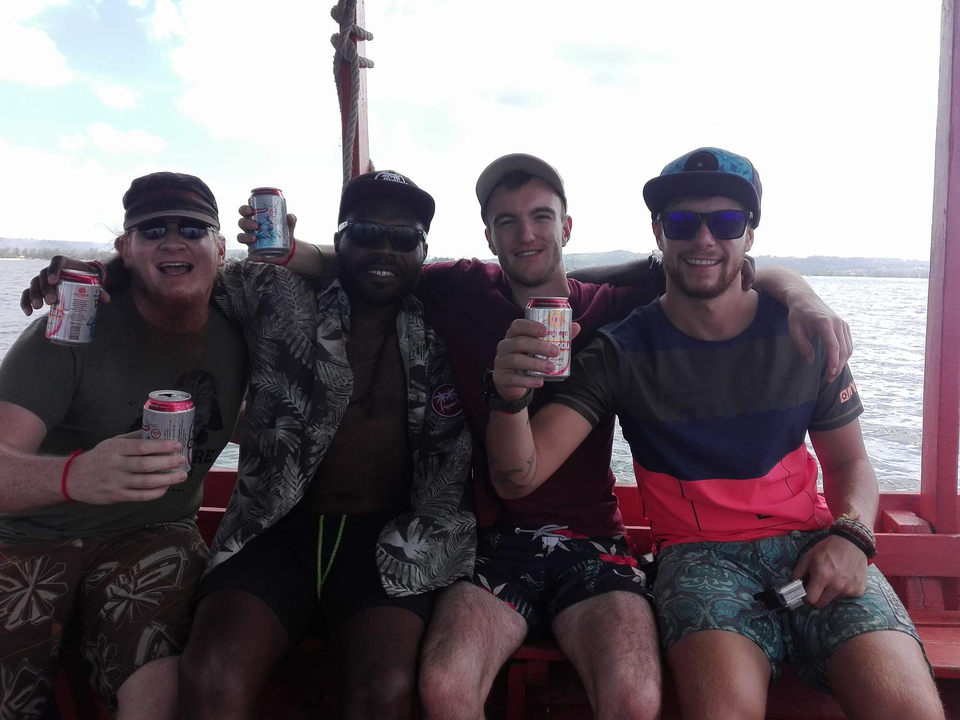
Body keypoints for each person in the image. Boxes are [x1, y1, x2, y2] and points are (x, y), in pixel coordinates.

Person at [249, 153, 854, 720]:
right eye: (506, 222)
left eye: (542, 217)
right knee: (444, 686)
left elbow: (727, 266)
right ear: (489, 237)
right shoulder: (460, 289)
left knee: (637, 693)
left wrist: (802, 296)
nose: (526, 234)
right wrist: (285, 250)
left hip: (592, 537)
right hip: (488, 537)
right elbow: (363, 261)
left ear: (567, 228)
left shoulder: (613, 308)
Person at [484, 147, 945, 720]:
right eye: (682, 221)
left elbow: (850, 464)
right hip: (700, 560)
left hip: (814, 546)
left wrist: (852, 538)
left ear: (748, 234)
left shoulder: (805, 334)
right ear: (659, 232)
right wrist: (507, 397)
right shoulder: (621, 351)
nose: (703, 238)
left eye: (725, 221)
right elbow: (520, 476)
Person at [177, 170, 474, 720]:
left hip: (389, 542)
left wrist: (654, 269)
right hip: (274, 532)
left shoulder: (450, 315)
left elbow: (553, 284)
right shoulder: (276, 294)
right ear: (337, 240)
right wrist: (104, 272)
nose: (384, 247)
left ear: (424, 250)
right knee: (212, 674)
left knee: (386, 690)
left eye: (404, 237)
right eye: (365, 231)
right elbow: (180, 277)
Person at [1, 172, 247, 720]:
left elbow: (341, 270)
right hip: (27, 536)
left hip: (155, 533)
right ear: (126, 250)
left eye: (193, 228)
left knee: (163, 690)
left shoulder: (246, 328)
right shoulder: (67, 332)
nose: (173, 241)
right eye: (152, 230)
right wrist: (73, 477)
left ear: (221, 247)